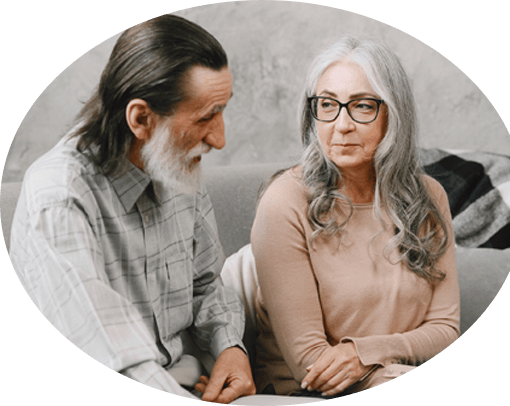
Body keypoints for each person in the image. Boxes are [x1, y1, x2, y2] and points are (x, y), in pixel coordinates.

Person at [10, 15, 255, 403]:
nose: (220, 139)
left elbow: (207, 286)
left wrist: (230, 348)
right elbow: (115, 360)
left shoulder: (175, 166)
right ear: (141, 119)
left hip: (189, 382)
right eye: (206, 116)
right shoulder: (59, 197)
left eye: (222, 110)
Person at [251, 34, 460, 398]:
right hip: (301, 393)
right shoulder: (284, 201)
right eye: (327, 104)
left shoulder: (429, 197)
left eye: (362, 106)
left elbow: (445, 329)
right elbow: (310, 363)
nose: (341, 124)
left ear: (393, 113)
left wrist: (366, 352)